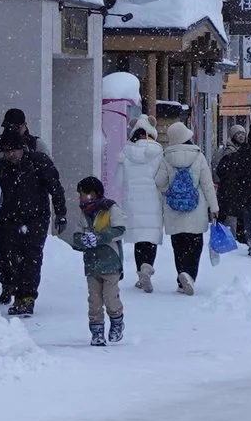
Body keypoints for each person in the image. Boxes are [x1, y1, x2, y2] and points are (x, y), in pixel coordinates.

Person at [0, 119, 66, 317]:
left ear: (23, 148)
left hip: (35, 218)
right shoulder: (0, 168)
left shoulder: (39, 163)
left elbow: (55, 188)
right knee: (9, 255)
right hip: (8, 218)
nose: (10, 155)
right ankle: (12, 287)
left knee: (31, 257)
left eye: (13, 150)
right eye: (6, 151)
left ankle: (27, 297)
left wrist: (61, 213)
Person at [155, 120, 216, 294]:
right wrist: (214, 207)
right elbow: (207, 184)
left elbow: (159, 181)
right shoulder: (198, 156)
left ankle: (181, 274)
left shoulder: (166, 157)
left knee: (179, 245)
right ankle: (190, 276)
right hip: (195, 209)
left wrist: (169, 191)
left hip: (174, 209)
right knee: (194, 245)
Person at [68, 175, 125, 346]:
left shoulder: (110, 208)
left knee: (110, 297)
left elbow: (120, 229)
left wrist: (100, 237)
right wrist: (81, 241)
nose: (80, 197)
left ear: (93, 194)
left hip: (110, 261)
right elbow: (77, 234)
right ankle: (97, 331)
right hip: (92, 264)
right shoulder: (83, 213)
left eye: (82, 194)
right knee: (94, 300)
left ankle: (116, 322)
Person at [119, 115, 166, 293]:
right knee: (150, 237)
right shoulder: (158, 151)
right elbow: (162, 178)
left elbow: (119, 179)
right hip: (152, 201)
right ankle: (147, 266)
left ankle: (140, 273)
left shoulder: (126, 152)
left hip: (133, 202)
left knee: (139, 239)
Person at [210, 126, 251, 252]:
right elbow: (219, 170)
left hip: (238, 189)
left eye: (243, 133)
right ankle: (232, 241)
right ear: (232, 135)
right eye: (238, 133)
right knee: (231, 216)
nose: (241, 136)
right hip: (230, 189)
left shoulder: (243, 150)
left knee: (238, 216)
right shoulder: (228, 151)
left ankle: (238, 240)